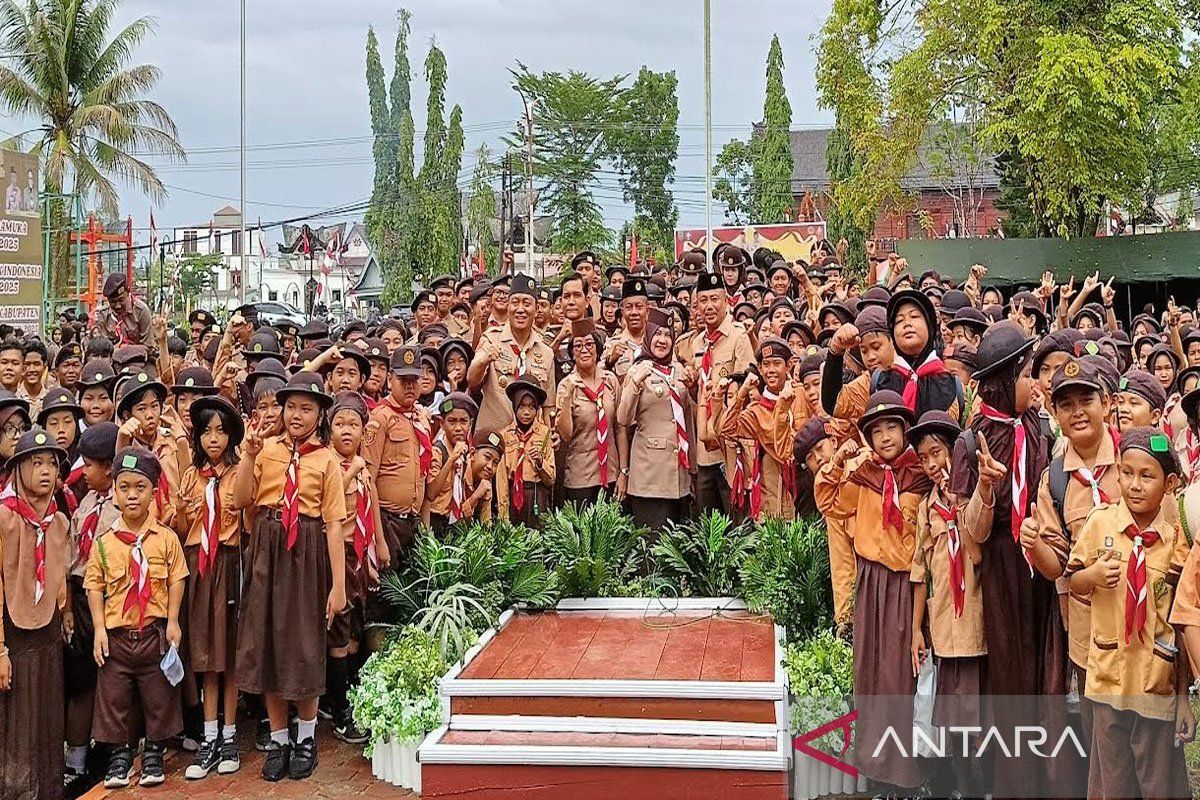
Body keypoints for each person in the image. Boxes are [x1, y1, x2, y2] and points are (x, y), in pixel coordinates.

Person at [950, 321, 1076, 797]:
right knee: (1007, 679)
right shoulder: (970, 442)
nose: (1036, 384)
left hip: (1039, 566)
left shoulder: (1038, 428)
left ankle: (1053, 779)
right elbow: (973, 535)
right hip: (1001, 570)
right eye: (1027, 375)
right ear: (1003, 380)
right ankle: (1014, 783)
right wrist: (985, 487)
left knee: (1046, 675)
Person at [232, 372, 347, 782]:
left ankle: (307, 737)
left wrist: (338, 586)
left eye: (307, 408)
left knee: (303, 643)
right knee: (268, 643)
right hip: (267, 544)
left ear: (320, 415)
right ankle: (279, 738)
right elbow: (241, 499)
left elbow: (334, 524)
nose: (296, 415)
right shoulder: (265, 450)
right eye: (291, 406)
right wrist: (247, 454)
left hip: (306, 551)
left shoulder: (326, 460)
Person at [1067, 428, 1192, 799]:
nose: (1134, 485)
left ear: (1169, 483)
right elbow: (1072, 581)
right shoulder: (1100, 522)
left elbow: (1181, 626)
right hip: (1107, 679)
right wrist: (1091, 576)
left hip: (1155, 682)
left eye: (1147, 476)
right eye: (1126, 473)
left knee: (1158, 783)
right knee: (1112, 782)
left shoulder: (1174, 543)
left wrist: (1184, 699)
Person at [814, 391, 930, 791]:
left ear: (905, 431)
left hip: (904, 585)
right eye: (876, 431)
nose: (884, 437)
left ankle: (906, 772)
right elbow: (828, 500)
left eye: (892, 428)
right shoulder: (863, 477)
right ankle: (874, 766)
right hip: (871, 584)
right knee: (871, 671)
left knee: (900, 676)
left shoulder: (921, 477)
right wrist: (840, 460)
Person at [908, 410, 998, 798]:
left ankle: (990, 785)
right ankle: (964, 788)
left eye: (937, 453)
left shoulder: (971, 500)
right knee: (953, 722)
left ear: (954, 454)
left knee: (984, 719)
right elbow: (919, 570)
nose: (931, 464)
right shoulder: (927, 509)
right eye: (924, 458)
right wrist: (916, 629)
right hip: (944, 626)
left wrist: (958, 501)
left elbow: (976, 554)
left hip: (977, 625)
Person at [86, 447, 187, 789]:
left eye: (140, 488)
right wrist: (99, 628)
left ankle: (155, 753)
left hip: (153, 634)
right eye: (124, 487)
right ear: (114, 491)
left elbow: (176, 579)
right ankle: (119, 757)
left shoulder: (166, 540)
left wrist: (173, 620)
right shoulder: (104, 544)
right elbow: (94, 586)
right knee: (113, 698)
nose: (132, 495)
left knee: (158, 696)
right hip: (117, 637)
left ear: (153, 492)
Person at [0, 428, 71, 800]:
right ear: (18, 469)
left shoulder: (59, 522)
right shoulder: (4, 519)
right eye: (35, 462)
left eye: (51, 464)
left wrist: (66, 609)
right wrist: (0, 652)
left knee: (46, 719)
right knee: (16, 726)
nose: (45, 471)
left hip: (48, 632)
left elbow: (60, 578)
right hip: (12, 634)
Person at [176, 396, 244, 780]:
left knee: (229, 653)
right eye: (206, 432)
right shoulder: (191, 477)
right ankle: (209, 736)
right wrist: (185, 514)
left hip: (229, 562)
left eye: (220, 431)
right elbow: (185, 532)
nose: (213, 440)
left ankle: (231, 734)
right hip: (199, 566)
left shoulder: (237, 473)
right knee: (205, 655)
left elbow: (245, 524)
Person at [63, 422, 119, 791]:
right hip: (81, 598)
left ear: (109, 467)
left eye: (91, 464)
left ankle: (117, 751)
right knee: (82, 682)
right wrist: (68, 608)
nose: (83, 471)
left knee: (114, 683)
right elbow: (70, 561)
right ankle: (76, 762)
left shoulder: (122, 504)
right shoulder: (86, 503)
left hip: (112, 599)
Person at [326, 391, 384, 745]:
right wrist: (351, 474)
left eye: (354, 424)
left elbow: (371, 503)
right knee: (338, 632)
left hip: (361, 554)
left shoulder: (362, 465)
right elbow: (328, 503)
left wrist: (379, 547)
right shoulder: (330, 464)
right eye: (339, 424)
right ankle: (338, 709)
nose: (346, 431)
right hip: (338, 553)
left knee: (354, 631)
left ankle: (349, 695)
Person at [617, 309, 693, 531]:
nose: (662, 340)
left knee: (675, 548)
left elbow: (687, 418)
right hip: (650, 474)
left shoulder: (678, 371)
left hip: (679, 474)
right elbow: (623, 418)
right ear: (648, 337)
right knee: (652, 545)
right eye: (657, 334)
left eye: (668, 335)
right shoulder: (638, 370)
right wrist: (635, 384)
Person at [689, 271, 754, 514]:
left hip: (730, 445)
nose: (708, 306)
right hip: (705, 450)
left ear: (726, 301)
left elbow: (748, 389)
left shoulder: (738, 337)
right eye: (703, 301)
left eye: (714, 299)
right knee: (708, 523)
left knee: (735, 517)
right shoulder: (697, 344)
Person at [364, 346, 434, 567]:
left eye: (414, 379)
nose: (409, 386)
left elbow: (423, 479)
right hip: (387, 521)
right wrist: (379, 540)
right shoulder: (380, 419)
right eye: (403, 380)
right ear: (390, 380)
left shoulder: (421, 419)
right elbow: (369, 481)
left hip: (412, 523)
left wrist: (425, 531)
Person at [718, 337, 800, 522]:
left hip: (803, 500)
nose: (771, 370)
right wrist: (743, 392)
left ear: (788, 366)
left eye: (777, 364)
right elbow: (727, 429)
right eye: (766, 365)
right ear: (760, 369)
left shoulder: (800, 397)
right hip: (769, 507)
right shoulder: (756, 411)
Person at [468, 274, 556, 433]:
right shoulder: (491, 339)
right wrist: (483, 361)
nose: (520, 309)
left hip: (529, 445)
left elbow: (548, 406)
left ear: (536, 310)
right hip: (493, 442)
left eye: (527, 303)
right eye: (515, 302)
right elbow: (472, 381)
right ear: (508, 307)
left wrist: (548, 437)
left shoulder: (546, 352)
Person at [555, 320, 621, 506]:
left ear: (598, 349)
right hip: (580, 476)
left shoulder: (610, 381)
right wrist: (567, 398)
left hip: (610, 473)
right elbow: (566, 435)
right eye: (578, 346)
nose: (584, 350)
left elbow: (619, 428)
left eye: (589, 344)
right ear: (572, 353)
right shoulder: (566, 385)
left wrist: (623, 471)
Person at [114, 371, 178, 525]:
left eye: (155, 406)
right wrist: (122, 441)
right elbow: (120, 477)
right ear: (127, 415)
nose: (150, 414)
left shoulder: (172, 440)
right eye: (142, 409)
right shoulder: (126, 447)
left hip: (177, 524)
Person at [500, 376, 555, 526]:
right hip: (514, 495)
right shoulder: (505, 435)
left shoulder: (544, 433)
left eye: (531, 407)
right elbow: (502, 480)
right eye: (522, 406)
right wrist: (503, 515)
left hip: (536, 494)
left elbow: (551, 479)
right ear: (515, 407)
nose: (526, 412)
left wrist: (540, 463)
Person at [426, 393, 478, 534]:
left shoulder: (466, 451)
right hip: (436, 520)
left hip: (454, 521)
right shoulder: (438, 451)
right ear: (442, 424)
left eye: (463, 421)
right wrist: (451, 460)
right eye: (452, 421)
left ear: (470, 424)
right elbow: (430, 493)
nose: (458, 427)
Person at [92, 274, 155, 351]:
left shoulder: (141, 311)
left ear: (128, 294)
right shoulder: (103, 315)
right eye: (113, 302)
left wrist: (126, 349)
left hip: (138, 359)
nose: (117, 306)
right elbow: (100, 346)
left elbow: (148, 346)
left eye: (121, 300)